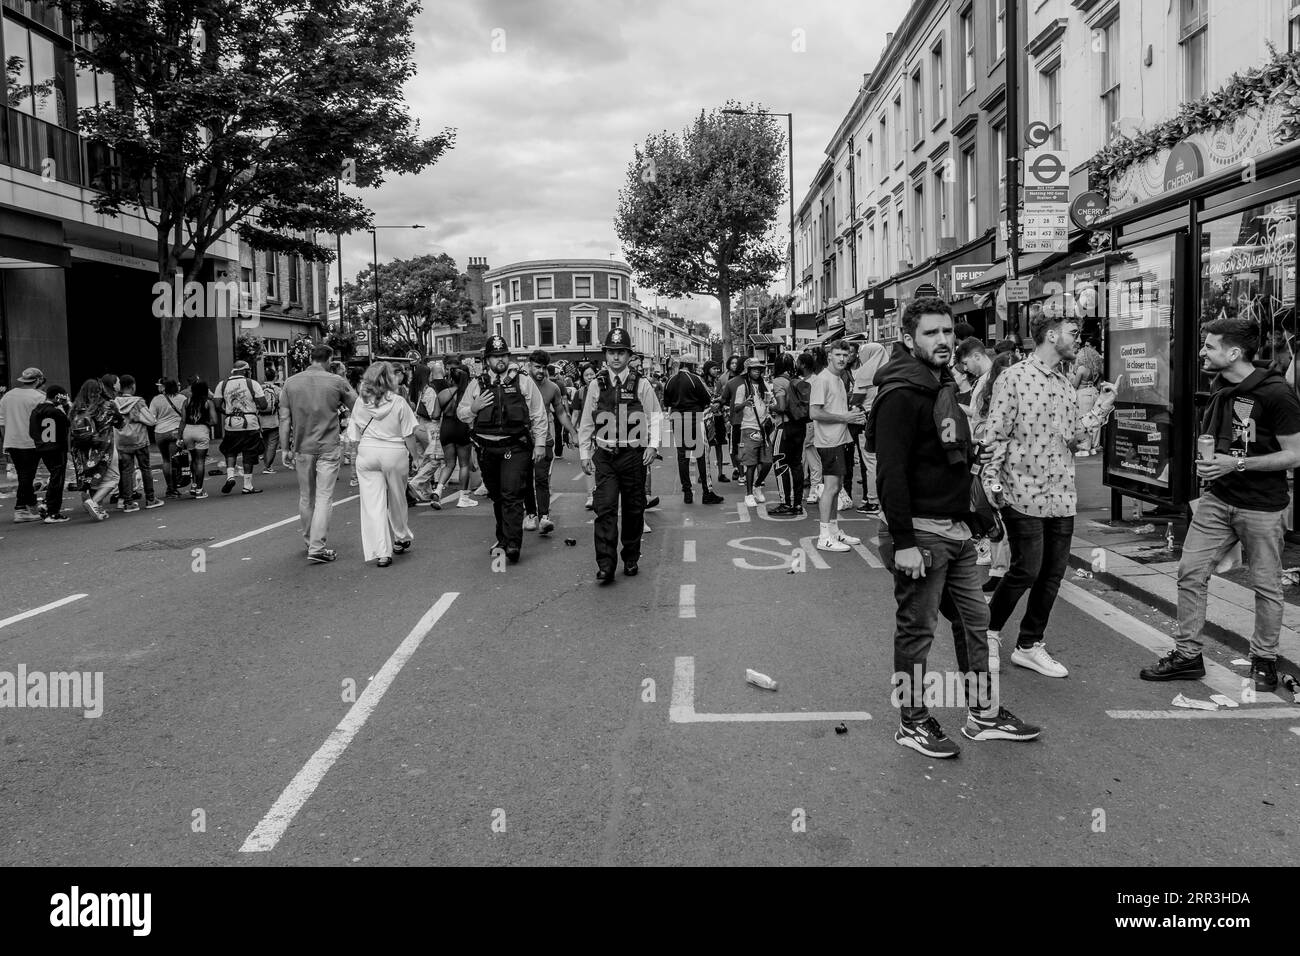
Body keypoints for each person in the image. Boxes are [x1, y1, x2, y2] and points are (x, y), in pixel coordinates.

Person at [871, 296, 1041, 757]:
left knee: (975, 622)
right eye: (931, 333)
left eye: (947, 331)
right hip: (920, 537)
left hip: (957, 529)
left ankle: (983, 714)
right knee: (917, 631)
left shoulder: (939, 385)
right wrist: (903, 542)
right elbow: (891, 473)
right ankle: (912, 722)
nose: (943, 340)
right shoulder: (902, 393)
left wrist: (970, 457)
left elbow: (937, 454)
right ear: (908, 339)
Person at [1141, 318, 1300, 690]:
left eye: (1209, 346)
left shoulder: (1277, 394)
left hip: (1262, 505)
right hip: (1217, 499)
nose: (1201, 352)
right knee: (1190, 572)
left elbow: (1295, 455)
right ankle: (1187, 656)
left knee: (1266, 586)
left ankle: (1263, 659)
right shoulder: (1220, 387)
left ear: (1234, 353)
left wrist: (1237, 463)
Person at [982, 311, 1116, 677]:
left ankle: (1029, 644)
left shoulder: (1063, 384)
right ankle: (989, 633)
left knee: (1053, 573)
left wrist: (1103, 406)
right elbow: (995, 433)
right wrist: (991, 482)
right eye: (1074, 333)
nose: (1080, 341)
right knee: (1026, 568)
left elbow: (1075, 437)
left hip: (1061, 495)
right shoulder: (1014, 378)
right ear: (1052, 336)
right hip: (1022, 491)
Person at [578, 327, 662, 582]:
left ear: (629, 355)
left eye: (621, 353)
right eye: (612, 352)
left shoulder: (641, 383)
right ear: (605, 355)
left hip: (633, 455)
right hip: (605, 456)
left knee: (634, 509)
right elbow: (586, 422)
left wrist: (653, 446)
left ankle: (631, 558)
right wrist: (584, 453)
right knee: (605, 510)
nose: (616, 357)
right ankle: (605, 565)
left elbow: (655, 416)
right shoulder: (597, 384)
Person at [457, 335, 549, 564]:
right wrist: (474, 408)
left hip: (515, 446)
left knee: (512, 494)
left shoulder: (523, 381)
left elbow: (538, 414)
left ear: (508, 357)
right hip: (487, 449)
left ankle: (513, 544)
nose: (500, 360)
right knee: (497, 496)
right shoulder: (477, 384)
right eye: (495, 356)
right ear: (487, 359)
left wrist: (539, 444)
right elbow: (462, 412)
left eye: (503, 355)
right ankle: (503, 538)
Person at [280, 345, 358, 564]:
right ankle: (317, 545)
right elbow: (357, 406)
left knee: (306, 497)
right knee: (324, 497)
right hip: (328, 446)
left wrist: (285, 448)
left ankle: (309, 542)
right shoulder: (336, 381)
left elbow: (284, 418)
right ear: (329, 359)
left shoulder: (290, 382)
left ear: (310, 358)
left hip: (302, 447)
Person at [346, 362, 420, 567]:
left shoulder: (361, 403)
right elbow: (409, 433)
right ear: (389, 379)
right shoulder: (398, 402)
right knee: (397, 498)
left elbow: (353, 435)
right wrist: (416, 457)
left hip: (368, 451)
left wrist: (357, 455)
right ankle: (400, 536)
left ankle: (382, 551)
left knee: (372, 504)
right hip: (394, 452)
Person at [811, 340, 864, 552]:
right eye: (838, 355)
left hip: (841, 439)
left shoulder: (839, 379)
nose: (842, 358)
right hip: (829, 441)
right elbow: (814, 413)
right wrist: (846, 417)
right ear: (829, 356)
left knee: (837, 488)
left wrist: (853, 416)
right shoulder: (822, 380)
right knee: (831, 488)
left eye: (846, 355)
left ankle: (833, 531)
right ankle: (824, 536)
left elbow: (840, 413)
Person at [522, 349, 576, 535]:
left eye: (544, 368)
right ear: (529, 365)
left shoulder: (552, 387)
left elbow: (560, 412)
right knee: (525, 479)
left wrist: (572, 432)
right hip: (521, 440)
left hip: (544, 439)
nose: (541, 371)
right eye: (537, 367)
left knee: (541, 478)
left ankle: (544, 517)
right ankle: (530, 514)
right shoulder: (520, 384)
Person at [664, 356, 723, 505]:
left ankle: (687, 492)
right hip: (695, 418)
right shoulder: (695, 379)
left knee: (682, 457)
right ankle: (706, 492)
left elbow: (667, 402)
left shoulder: (670, 380)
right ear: (690, 365)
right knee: (701, 456)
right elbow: (706, 399)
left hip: (677, 418)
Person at [421, 366, 477, 509]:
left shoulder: (443, 393)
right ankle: (464, 498)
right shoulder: (468, 394)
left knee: (449, 464)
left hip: (446, 428)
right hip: (462, 427)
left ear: (450, 379)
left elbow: (434, 415)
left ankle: (438, 492)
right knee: (464, 464)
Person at [70, 377, 124, 521]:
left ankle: (97, 507)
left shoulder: (75, 408)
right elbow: (121, 424)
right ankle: (93, 503)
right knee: (113, 478)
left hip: (81, 450)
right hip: (103, 448)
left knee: (89, 479)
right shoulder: (108, 406)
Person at [213, 360, 268, 495]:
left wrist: (228, 412)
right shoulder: (252, 384)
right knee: (249, 453)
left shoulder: (222, 384)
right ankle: (247, 486)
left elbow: (217, 405)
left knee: (230, 451)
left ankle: (230, 476)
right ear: (245, 371)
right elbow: (264, 404)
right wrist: (252, 406)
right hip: (250, 423)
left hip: (231, 423)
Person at [0, 367, 48, 522]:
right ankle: (21, 509)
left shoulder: (8, 396)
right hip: (30, 442)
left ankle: (28, 506)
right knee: (27, 476)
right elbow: (45, 422)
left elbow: (1, 422)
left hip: (12, 441)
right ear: (39, 380)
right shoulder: (39, 397)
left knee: (23, 475)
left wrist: (6, 439)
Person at [113, 375, 160, 512]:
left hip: (122, 441)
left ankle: (128, 502)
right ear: (133, 386)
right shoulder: (138, 402)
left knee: (126, 471)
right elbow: (151, 421)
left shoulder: (115, 402)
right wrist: (139, 418)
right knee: (145, 468)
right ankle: (151, 499)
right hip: (139, 440)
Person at [853, 341, 888, 516]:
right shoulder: (889, 372)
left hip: (867, 421)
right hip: (887, 421)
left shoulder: (865, 373)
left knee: (871, 462)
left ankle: (873, 500)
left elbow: (856, 399)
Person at [734, 357, 774, 508]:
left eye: (759, 369)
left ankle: (757, 486)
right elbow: (736, 408)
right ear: (748, 371)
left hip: (764, 427)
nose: (757, 371)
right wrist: (746, 402)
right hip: (749, 427)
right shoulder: (742, 387)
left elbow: (770, 404)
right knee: (750, 464)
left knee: (767, 462)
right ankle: (749, 494)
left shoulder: (765, 386)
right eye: (754, 369)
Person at [27, 383, 70, 522]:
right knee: (58, 479)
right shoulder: (56, 411)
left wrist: (40, 443)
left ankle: (47, 504)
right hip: (57, 448)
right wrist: (65, 406)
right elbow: (66, 425)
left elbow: (31, 431)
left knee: (54, 476)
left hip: (43, 448)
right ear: (58, 396)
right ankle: (53, 511)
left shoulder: (36, 410)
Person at [150, 379, 187, 499]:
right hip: (175, 432)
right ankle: (174, 488)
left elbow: (151, 417)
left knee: (166, 461)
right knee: (175, 460)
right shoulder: (182, 398)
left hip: (159, 433)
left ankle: (170, 488)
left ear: (164, 387)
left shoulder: (156, 399)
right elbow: (186, 416)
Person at [181, 380, 218, 499]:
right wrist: (206, 422)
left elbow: (183, 420)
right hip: (201, 431)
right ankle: (199, 490)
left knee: (193, 460)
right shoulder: (208, 402)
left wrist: (179, 436)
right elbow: (215, 421)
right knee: (200, 461)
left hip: (187, 431)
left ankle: (193, 485)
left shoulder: (186, 402)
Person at [799, 352, 824, 506]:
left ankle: (814, 489)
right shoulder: (808, 380)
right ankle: (807, 489)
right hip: (805, 423)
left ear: (802, 365)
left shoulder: (813, 381)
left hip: (810, 422)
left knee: (811, 457)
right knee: (806, 458)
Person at [574, 364, 599, 510]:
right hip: (587, 432)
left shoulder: (602, 389)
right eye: (586, 375)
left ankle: (600, 492)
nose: (590, 377)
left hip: (601, 432)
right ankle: (590, 496)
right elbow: (576, 414)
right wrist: (571, 432)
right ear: (582, 378)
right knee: (589, 464)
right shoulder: (580, 393)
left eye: (592, 374)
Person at [701, 361, 730, 484]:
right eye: (714, 368)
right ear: (708, 369)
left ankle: (720, 473)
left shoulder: (718, 382)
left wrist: (720, 402)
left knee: (719, 446)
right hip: (706, 417)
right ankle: (704, 473)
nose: (717, 371)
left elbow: (724, 397)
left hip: (718, 417)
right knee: (705, 447)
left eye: (718, 368)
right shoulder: (701, 383)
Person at [719, 355, 746, 481]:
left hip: (747, 418)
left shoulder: (751, 380)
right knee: (734, 445)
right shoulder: (725, 379)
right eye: (732, 363)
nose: (734, 365)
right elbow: (722, 398)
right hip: (732, 417)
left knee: (743, 445)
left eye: (737, 363)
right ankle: (738, 469)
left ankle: (744, 471)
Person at [258, 378, 282, 474]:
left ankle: (266, 464)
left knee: (265, 443)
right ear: (275, 377)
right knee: (272, 444)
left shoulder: (260, 388)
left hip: (262, 421)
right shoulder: (277, 389)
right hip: (273, 421)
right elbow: (282, 404)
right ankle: (267, 467)